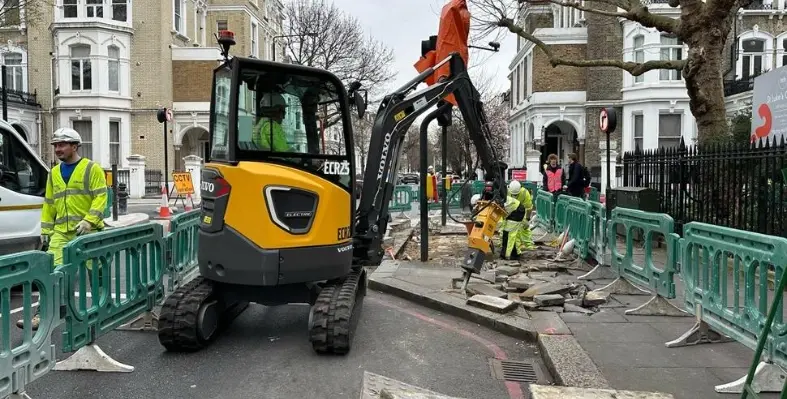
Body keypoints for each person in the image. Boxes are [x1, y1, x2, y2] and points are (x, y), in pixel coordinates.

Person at [18, 127, 108, 330]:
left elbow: (101, 196)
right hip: (61, 233)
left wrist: (89, 221)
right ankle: (43, 314)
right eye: (56, 145)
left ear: (75, 146)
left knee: (96, 273)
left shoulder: (91, 168)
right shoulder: (54, 173)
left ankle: (101, 309)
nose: (57, 149)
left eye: (62, 145)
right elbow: (49, 203)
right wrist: (46, 231)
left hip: (89, 232)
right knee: (51, 272)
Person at [499, 181, 536, 260]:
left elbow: (529, 207)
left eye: (516, 194)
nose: (514, 196)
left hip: (521, 211)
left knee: (524, 229)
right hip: (509, 212)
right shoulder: (507, 191)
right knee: (507, 231)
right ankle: (506, 246)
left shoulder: (524, 193)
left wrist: (527, 219)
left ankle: (528, 246)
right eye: (513, 194)